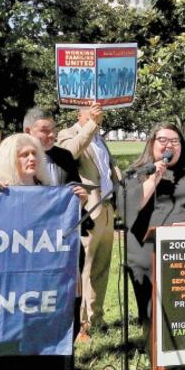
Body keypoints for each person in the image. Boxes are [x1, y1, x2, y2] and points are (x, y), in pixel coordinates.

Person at [0, 134, 87, 370]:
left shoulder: (50, 189)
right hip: (9, 277)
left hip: (43, 277)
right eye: (23, 155)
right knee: (10, 332)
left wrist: (79, 203)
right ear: (9, 159)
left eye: (34, 154)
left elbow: (65, 233)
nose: (31, 159)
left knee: (42, 327)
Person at [122, 123, 185, 370]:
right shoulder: (135, 173)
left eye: (175, 141)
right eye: (163, 140)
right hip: (146, 251)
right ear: (152, 143)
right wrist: (154, 176)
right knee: (151, 309)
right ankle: (159, 362)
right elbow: (129, 207)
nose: (169, 146)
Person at [58, 103, 121, 343]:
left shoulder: (100, 139)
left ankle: (97, 317)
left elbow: (108, 170)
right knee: (85, 267)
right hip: (88, 209)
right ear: (79, 114)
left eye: (99, 110)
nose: (98, 112)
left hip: (106, 207)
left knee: (102, 267)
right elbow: (69, 153)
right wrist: (92, 125)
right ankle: (81, 323)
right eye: (91, 109)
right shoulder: (68, 134)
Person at [23, 109, 79, 186]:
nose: (52, 135)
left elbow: (76, 185)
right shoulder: (14, 158)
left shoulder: (65, 156)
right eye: (45, 130)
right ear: (28, 131)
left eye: (53, 130)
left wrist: (81, 193)